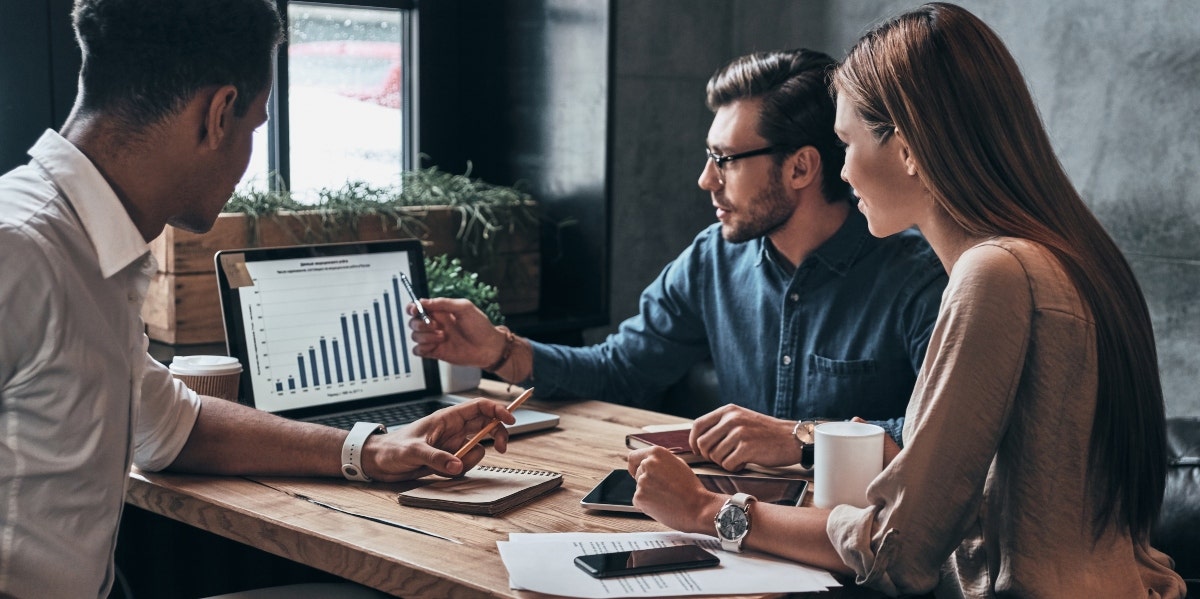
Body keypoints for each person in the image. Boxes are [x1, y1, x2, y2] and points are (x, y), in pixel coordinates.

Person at [627, 3, 1188, 597]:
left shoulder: (994, 274)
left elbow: (897, 551)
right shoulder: (1066, 254)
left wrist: (705, 510)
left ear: (909, 146)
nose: (841, 173)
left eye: (846, 144)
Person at [0, 2, 516, 598]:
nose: (248, 160)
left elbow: (173, 427)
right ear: (218, 114)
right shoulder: (20, 252)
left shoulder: (90, 249)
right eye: (254, 127)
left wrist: (374, 450)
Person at [410, 48, 946, 471]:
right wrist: (499, 349)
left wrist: (800, 437)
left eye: (725, 160)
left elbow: (939, 441)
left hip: (856, 549)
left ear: (801, 169)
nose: (705, 179)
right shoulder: (712, 260)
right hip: (733, 528)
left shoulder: (917, 279)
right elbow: (621, 370)